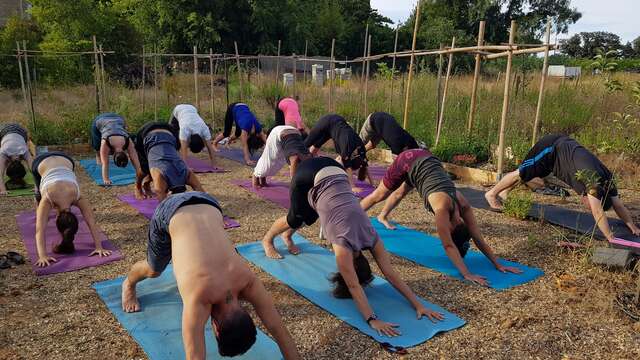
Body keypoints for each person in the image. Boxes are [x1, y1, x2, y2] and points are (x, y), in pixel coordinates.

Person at [261, 157, 444, 336]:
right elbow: (354, 286)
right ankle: (268, 239)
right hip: (308, 174)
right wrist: (372, 319)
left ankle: (288, 235)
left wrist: (419, 305)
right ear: (351, 266)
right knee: (295, 218)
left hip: (337, 170)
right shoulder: (342, 247)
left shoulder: (372, 238)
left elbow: (391, 274)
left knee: (308, 217)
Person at [121, 192, 300, 359]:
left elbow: (279, 330)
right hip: (170, 210)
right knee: (154, 270)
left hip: (209, 203)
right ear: (216, 328)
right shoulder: (199, 299)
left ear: (248, 315)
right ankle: (129, 284)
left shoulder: (249, 283)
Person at [360, 149, 522, 286]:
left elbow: (477, 236)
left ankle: (383, 216)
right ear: (452, 227)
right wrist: (467, 274)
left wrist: (497, 263)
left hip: (427, 159)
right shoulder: (442, 210)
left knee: (401, 192)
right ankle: (352, 216)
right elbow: (448, 246)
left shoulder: (464, 205)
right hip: (408, 160)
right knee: (378, 195)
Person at [485, 134, 640, 241]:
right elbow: (597, 211)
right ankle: (491, 194)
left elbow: (618, 205)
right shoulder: (594, 184)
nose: (588, 207)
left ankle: (505, 191)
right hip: (552, 147)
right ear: (596, 196)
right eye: (590, 203)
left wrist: (632, 226)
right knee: (522, 171)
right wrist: (609, 236)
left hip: (562, 151)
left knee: (528, 174)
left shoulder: (608, 180)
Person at [32, 152, 111, 267]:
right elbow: (91, 222)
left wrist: (99, 247)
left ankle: (41, 214)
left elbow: (40, 230)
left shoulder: (77, 196)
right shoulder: (49, 198)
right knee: (38, 195)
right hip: (43, 162)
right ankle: (38, 208)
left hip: (66, 159)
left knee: (41, 211)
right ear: (57, 218)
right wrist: (42, 256)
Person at [134, 122, 205, 201]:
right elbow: (163, 204)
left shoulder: (187, 174)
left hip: (169, 131)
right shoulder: (163, 178)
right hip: (146, 133)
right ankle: (138, 187)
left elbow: (201, 192)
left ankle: (146, 183)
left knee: (153, 165)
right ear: (170, 192)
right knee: (145, 168)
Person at [304, 114, 372, 190]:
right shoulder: (347, 149)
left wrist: (372, 184)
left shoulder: (361, 150)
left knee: (314, 148)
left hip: (335, 125)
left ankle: (309, 165)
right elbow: (348, 169)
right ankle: (297, 164)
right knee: (306, 144)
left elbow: (364, 166)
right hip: (327, 121)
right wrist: (353, 187)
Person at [90, 113, 142, 186]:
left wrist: (139, 176)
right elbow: (105, 163)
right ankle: (98, 156)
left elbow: (135, 159)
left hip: (119, 119)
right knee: (97, 145)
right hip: (100, 120)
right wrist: (106, 179)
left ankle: (100, 155)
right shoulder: (106, 142)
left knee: (103, 155)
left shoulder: (128, 141)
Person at [169, 104, 217, 169]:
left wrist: (214, 165)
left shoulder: (204, 129)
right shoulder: (185, 129)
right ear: (189, 141)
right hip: (178, 109)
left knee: (180, 140)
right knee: (171, 135)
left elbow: (210, 148)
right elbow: (184, 149)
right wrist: (186, 166)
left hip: (192, 108)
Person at [0, 123, 34, 195]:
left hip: (19, 131)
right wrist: (2, 190)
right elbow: (34, 170)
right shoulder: (24, 151)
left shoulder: (24, 151)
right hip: (9, 131)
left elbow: (35, 170)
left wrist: (3, 190)